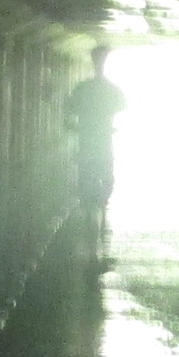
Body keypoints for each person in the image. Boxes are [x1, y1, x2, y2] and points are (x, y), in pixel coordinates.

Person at [67, 46, 126, 264]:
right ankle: (99, 220)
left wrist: (79, 127)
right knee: (104, 188)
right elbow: (122, 105)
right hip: (103, 146)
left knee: (88, 190)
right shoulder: (111, 89)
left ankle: (92, 242)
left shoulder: (82, 89)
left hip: (87, 147)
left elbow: (69, 114)